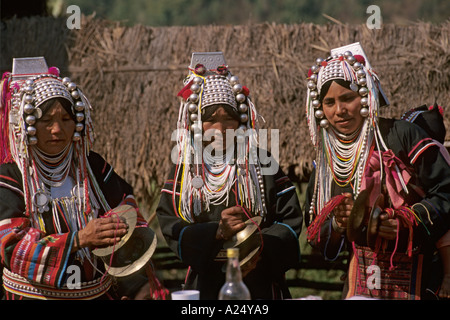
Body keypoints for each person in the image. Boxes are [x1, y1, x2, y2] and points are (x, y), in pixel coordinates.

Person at [0, 57, 166, 300]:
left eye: (66, 120)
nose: (58, 130)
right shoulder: (12, 176)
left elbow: (127, 214)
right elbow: (11, 245)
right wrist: (79, 239)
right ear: (28, 125)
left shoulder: (92, 166)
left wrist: (135, 282)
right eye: (46, 122)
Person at [303, 43, 450, 300]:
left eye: (348, 98)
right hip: (360, 282)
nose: (340, 110)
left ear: (366, 95)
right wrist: (338, 222)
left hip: (424, 278)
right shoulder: (327, 161)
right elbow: (317, 236)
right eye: (329, 102)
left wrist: (407, 223)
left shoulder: (401, 135)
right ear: (320, 109)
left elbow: (446, 191)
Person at [156, 52, 302, 300]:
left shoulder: (262, 162)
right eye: (211, 120)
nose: (220, 130)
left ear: (241, 121)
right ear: (196, 123)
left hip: (261, 283)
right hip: (206, 285)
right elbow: (170, 222)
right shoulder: (186, 167)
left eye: (229, 120)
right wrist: (216, 232)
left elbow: (290, 221)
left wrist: (257, 248)